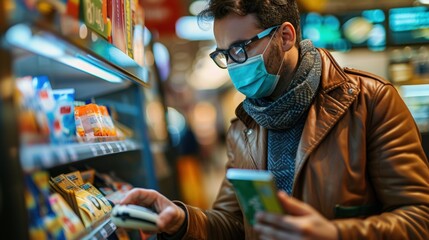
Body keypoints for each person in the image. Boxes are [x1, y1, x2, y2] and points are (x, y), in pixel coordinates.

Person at [120, 0, 429, 239]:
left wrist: (335, 234)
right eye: (225, 54)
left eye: (241, 48)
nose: (233, 65)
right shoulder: (244, 126)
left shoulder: (370, 101)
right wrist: (183, 220)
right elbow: (234, 224)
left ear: (284, 36)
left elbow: (420, 218)